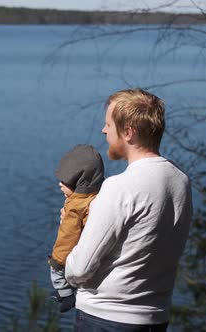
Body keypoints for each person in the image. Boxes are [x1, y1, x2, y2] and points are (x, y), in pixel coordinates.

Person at [65, 89, 193, 331]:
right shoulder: (180, 180)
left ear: (128, 132)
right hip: (155, 318)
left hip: (106, 319)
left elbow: (78, 269)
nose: (104, 131)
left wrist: (73, 235)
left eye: (108, 124)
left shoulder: (119, 188)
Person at [48, 144, 104, 313]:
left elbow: (67, 236)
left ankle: (65, 295)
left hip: (71, 255)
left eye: (64, 181)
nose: (59, 184)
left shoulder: (75, 206)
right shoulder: (98, 196)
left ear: (79, 182)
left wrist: (57, 261)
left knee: (56, 272)